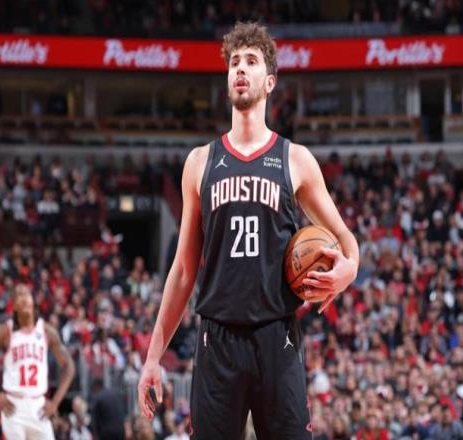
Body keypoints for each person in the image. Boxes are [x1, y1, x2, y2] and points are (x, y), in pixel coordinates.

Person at [138, 22, 359, 440]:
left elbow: (346, 239)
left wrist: (348, 270)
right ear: (227, 80)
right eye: (234, 62)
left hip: (277, 336)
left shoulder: (295, 159)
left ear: (269, 82)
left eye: (252, 61)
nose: (240, 68)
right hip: (217, 339)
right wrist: (153, 357)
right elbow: (183, 271)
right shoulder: (199, 163)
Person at [0, 283, 75, 439]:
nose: (23, 298)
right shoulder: (5, 332)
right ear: (14, 305)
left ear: (33, 300)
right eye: (19, 295)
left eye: (26, 294)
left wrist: (55, 402)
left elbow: (69, 366)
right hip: (13, 406)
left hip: (39, 406)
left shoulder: (47, 331)